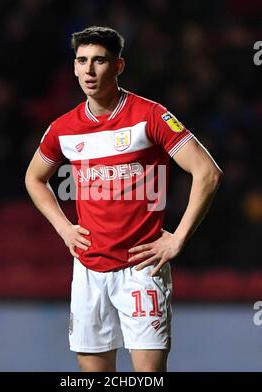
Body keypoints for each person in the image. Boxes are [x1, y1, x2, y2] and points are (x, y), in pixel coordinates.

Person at [25, 26, 222, 372]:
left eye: (99, 60)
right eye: (82, 61)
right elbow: (34, 178)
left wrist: (178, 239)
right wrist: (64, 228)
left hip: (142, 270)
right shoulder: (63, 128)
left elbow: (207, 172)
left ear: (118, 66)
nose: (89, 70)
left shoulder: (150, 116)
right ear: (73, 67)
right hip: (89, 270)